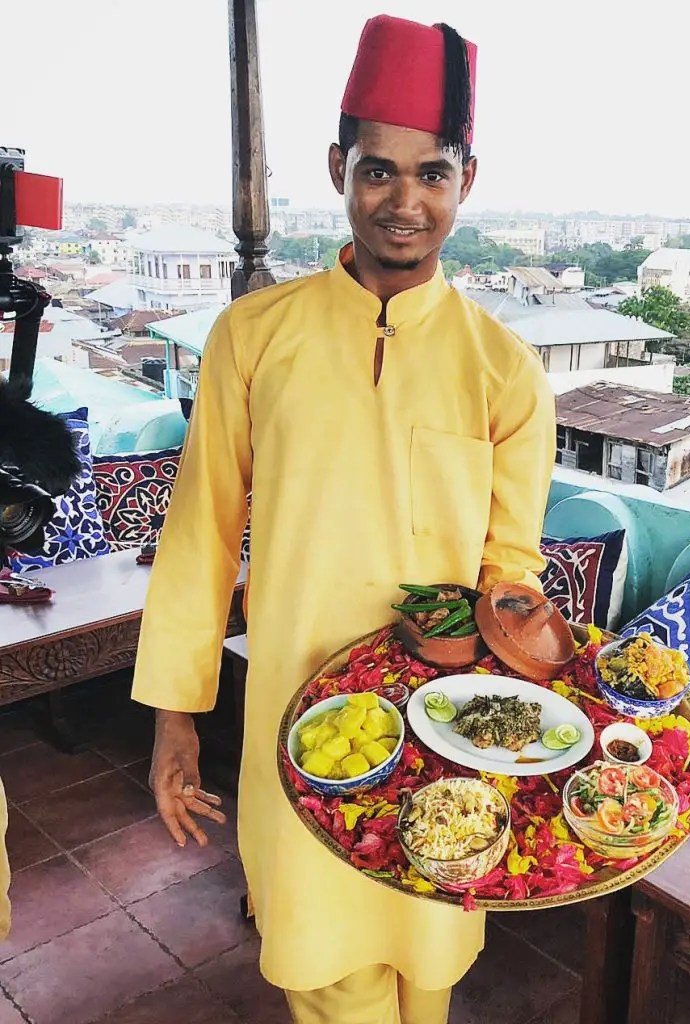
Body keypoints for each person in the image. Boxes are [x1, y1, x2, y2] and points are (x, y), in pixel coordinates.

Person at [132, 14, 555, 1024]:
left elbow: (510, 566)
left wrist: (531, 703)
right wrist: (174, 718)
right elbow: (198, 537)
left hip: (444, 727)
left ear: (467, 181)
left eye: (432, 173)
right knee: (323, 967)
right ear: (337, 168)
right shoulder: (253, 337)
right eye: (378, 170)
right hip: (293, 722)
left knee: (430, 962)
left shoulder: (505, 368)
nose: (404, 202)